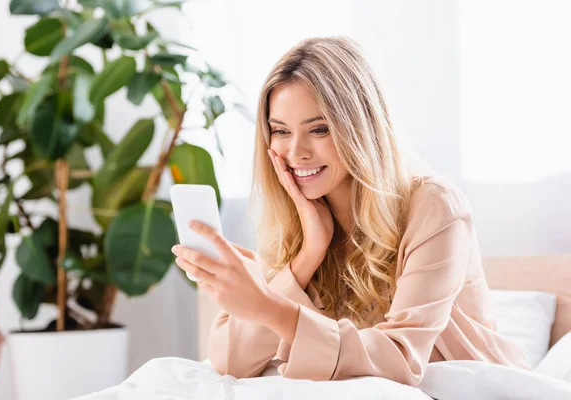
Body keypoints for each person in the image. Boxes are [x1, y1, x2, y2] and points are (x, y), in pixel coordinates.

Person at [171, 36, 531, 386]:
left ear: (359, 127)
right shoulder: (296, 217)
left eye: (319, 129)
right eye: (280, 131)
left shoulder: (435, 209)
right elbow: (229, 359)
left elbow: (402, 358)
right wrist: (309, 255)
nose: (296, 152)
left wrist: (270, 307)